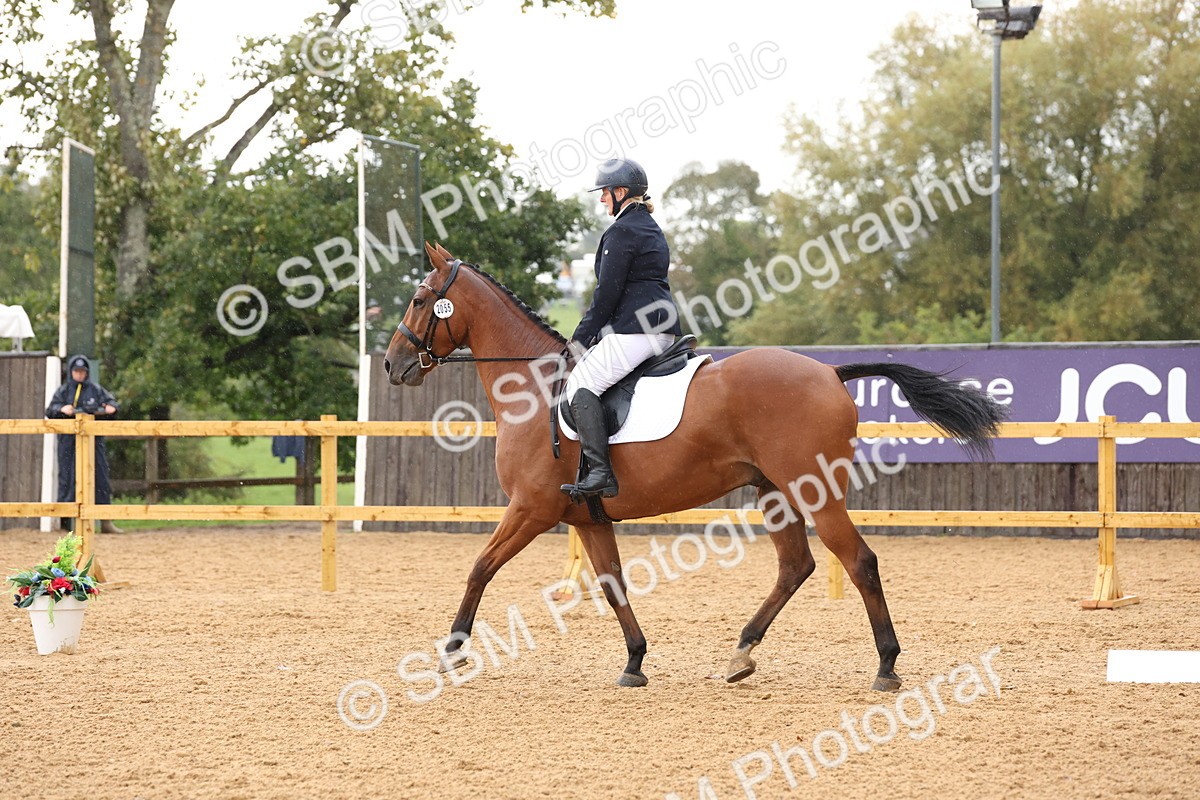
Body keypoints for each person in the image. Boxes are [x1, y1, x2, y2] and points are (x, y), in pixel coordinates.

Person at [560, 157, 682, 499]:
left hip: (637, 330)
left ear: (620, 192)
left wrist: (580, 340)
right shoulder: (648, 225)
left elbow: (607, 294)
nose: (601, 199)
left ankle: (600, 472)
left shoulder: (622, 230)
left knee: (580, 382)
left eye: (604, 192)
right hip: (661, 327)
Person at [45, 354, 123, 533]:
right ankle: (66, 524)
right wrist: (61, 409)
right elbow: (50, 410)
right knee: (68, 479)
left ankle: (105, 521)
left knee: (100, 478)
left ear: (87, 373)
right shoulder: (63, 392)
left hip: (95, 443)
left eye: (82, 371)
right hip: (68, 443)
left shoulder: (96, 390)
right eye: (76, 371)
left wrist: (111, 408)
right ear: (71, 372)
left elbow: (112, 404)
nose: (79, 375)